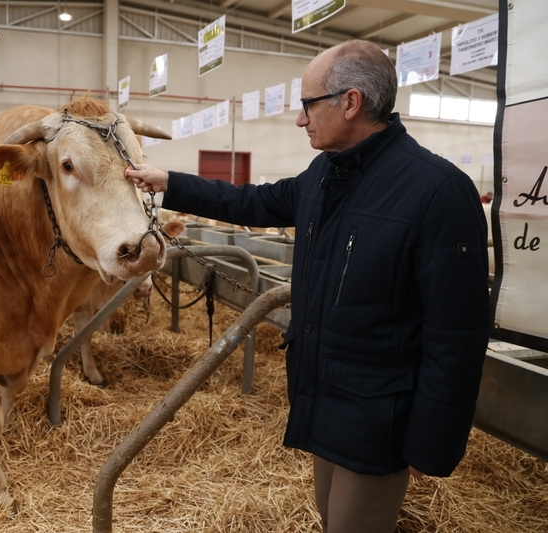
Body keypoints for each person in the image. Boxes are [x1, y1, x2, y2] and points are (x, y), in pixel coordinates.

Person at [126, 40, 489, 533]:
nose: (300, 119)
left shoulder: (438, 191)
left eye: (307, 104)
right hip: (323, 394)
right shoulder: (325, 174)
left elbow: (457, 333)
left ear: (351, 102)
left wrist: (433, 441)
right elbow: (251, 202)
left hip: (379, 413)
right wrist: (169, 180)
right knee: (328, 514)